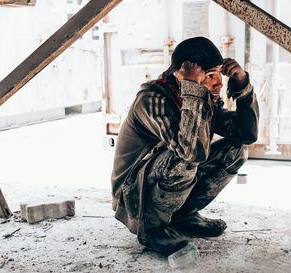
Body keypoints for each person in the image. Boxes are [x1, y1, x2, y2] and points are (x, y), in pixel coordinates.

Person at [111, 37, 259, 256]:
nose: (218, 83)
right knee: (184, 159)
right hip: (134, 196)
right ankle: (152, 229)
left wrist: (242, 84)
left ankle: (182, 215)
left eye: (219, 74)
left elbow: (246, 134)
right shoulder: (153, 99)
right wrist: (192, 88)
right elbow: (190, 153)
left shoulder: (202, 97)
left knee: (236, 151)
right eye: (210, 76)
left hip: (164, 175)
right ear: (182, 77)